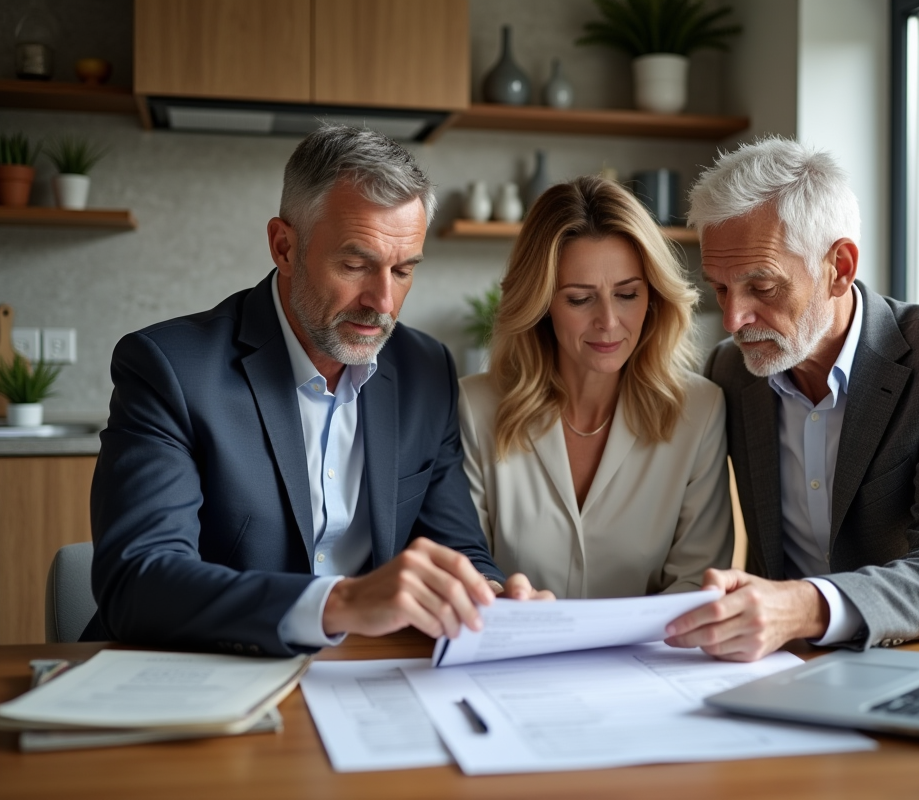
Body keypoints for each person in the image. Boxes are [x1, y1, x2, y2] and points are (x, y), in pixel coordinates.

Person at [84, 126, 545, 658]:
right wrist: (339, 602)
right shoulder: (170, 369)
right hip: (199, 672)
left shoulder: (424, 369)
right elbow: (137, 582)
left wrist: (487, 595)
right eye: (355, 265)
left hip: (364, 677)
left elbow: (454, 545)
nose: (384, 302)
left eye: (403, 270)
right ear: (284, 246)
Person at [665, 137, 919, 661]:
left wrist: (804, 606)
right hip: (777, 665)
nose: (734, 320)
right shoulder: (730, 371)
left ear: (840, 267)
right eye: (719, 288)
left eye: (763, 287)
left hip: (911, 659)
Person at [458, 176, 733, 599]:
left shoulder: (700, 410)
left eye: (627, 294)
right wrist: (495, 597)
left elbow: (698, 585)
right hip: (514, 655)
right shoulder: (474, 409)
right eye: (579, 299)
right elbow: (465, 569)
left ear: (653, 297)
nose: (608, 321)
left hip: (650, 659)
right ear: (542, 303)